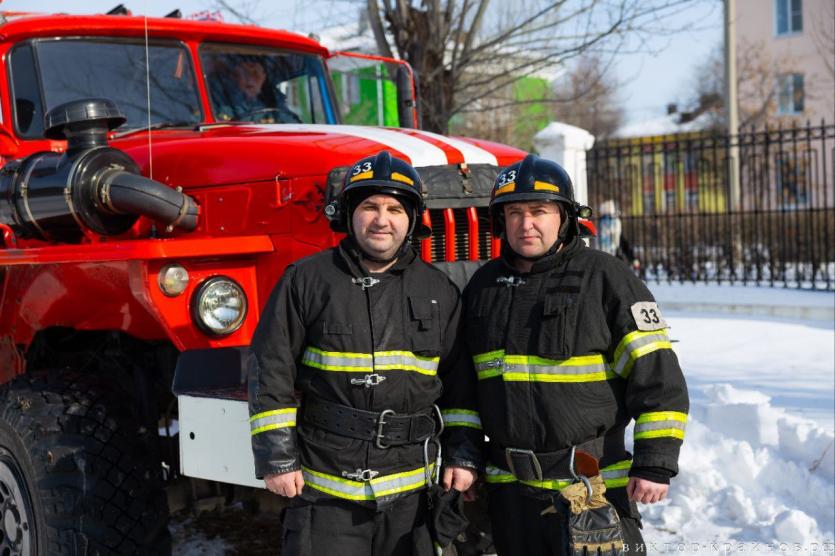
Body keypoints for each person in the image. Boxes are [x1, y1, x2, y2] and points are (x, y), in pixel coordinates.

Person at [248, 151, 482, 555]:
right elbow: (271, 370)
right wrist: (277, 458)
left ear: (411, 219)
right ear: (349, 214)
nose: (381, 219)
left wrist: (462, 453)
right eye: (370, 206)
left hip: (413, 494)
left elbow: (460, 389)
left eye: (394, 208)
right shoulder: (305, 281)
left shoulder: (439, 291)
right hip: (327, 490)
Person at [462, 154, 689, 555]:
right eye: (514, 212)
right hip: (509, 491)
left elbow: (657, 378)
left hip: (590, 486)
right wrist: (463, 455)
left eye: (539, 211)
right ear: (500, 221)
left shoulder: (607, 278)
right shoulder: (483, 286)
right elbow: (462, 387)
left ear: (565, 217)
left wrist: (655, 461)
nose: (526, 223)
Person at [211, 57, 300, 123]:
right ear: (235, 77)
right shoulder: (219, 103)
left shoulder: (277, 103)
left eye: (255, 73)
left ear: (264, 77)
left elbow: (293, 125)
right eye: (244, 74)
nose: (250, 80)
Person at [596, 199, 639, 271]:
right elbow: (621, 240)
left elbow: (620, 240)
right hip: (612, 254)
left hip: (606, 255)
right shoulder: (613, 222)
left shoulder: (603, 222)